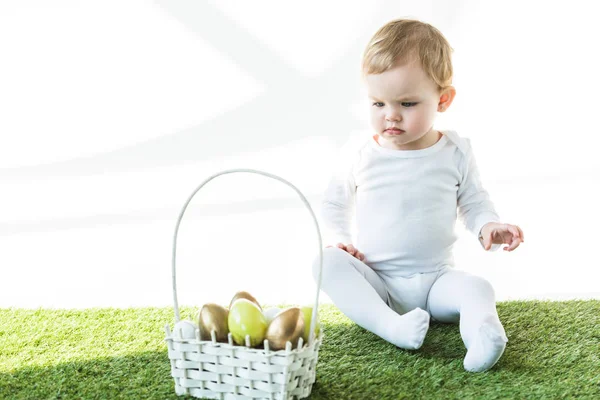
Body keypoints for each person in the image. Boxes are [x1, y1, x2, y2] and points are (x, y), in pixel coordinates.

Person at [312, 18, 524, 373]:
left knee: (477, 288)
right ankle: (390, 325)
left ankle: (483, 334)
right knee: (325, 263)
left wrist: (488, 225)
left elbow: (473, 200)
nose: (390, 116)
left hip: (436, 280)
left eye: (407, 104)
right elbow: (335, 203)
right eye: (377, 103)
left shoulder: (454, 151)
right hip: (376, 280)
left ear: (443, 99)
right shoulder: (360, 151)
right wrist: (340, 240)